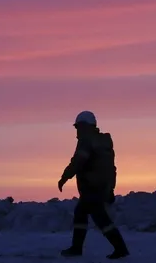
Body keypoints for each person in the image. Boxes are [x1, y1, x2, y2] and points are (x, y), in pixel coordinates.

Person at [58, 110, 130, 259]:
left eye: (78, 127)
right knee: (82, 213)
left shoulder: (86, 141)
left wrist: (64, 177)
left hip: (91, 186)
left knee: (99, 217)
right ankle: (77, 248)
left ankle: (120, 248)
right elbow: (111, 169)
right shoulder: (103, 143)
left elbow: (78, 161)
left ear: (85, 126)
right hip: (101, 186)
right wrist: (110, 188)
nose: (77, 131)